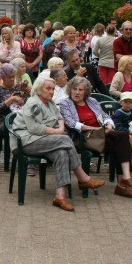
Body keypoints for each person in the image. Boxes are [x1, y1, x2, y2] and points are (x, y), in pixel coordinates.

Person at [12, 77, 106, 211]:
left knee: (61, 153)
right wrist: (58, 131)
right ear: (39, 89)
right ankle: (82, 177)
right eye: (47, 88)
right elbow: (34, 128)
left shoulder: (50, 103)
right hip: (26, 141)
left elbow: (60, 117)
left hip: (44, 140)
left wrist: (60, 129)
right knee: (65, 139)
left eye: (52, 89)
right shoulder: (33, 103)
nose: (51, 92)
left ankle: (60, 197)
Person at [59, 76, 132, 198]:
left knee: (121, 142)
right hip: (84, 136)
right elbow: (71, 123)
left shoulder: (92, 101)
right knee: (122, 139)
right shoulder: (65, 103)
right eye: (74, 89)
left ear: (85, 92)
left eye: (80, 90)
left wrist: (109, 125)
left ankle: (124, 182)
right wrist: (94, 129)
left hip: (102, 134)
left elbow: (105, 115)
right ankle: (124, 181)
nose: (76, 92)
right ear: (70, 89)